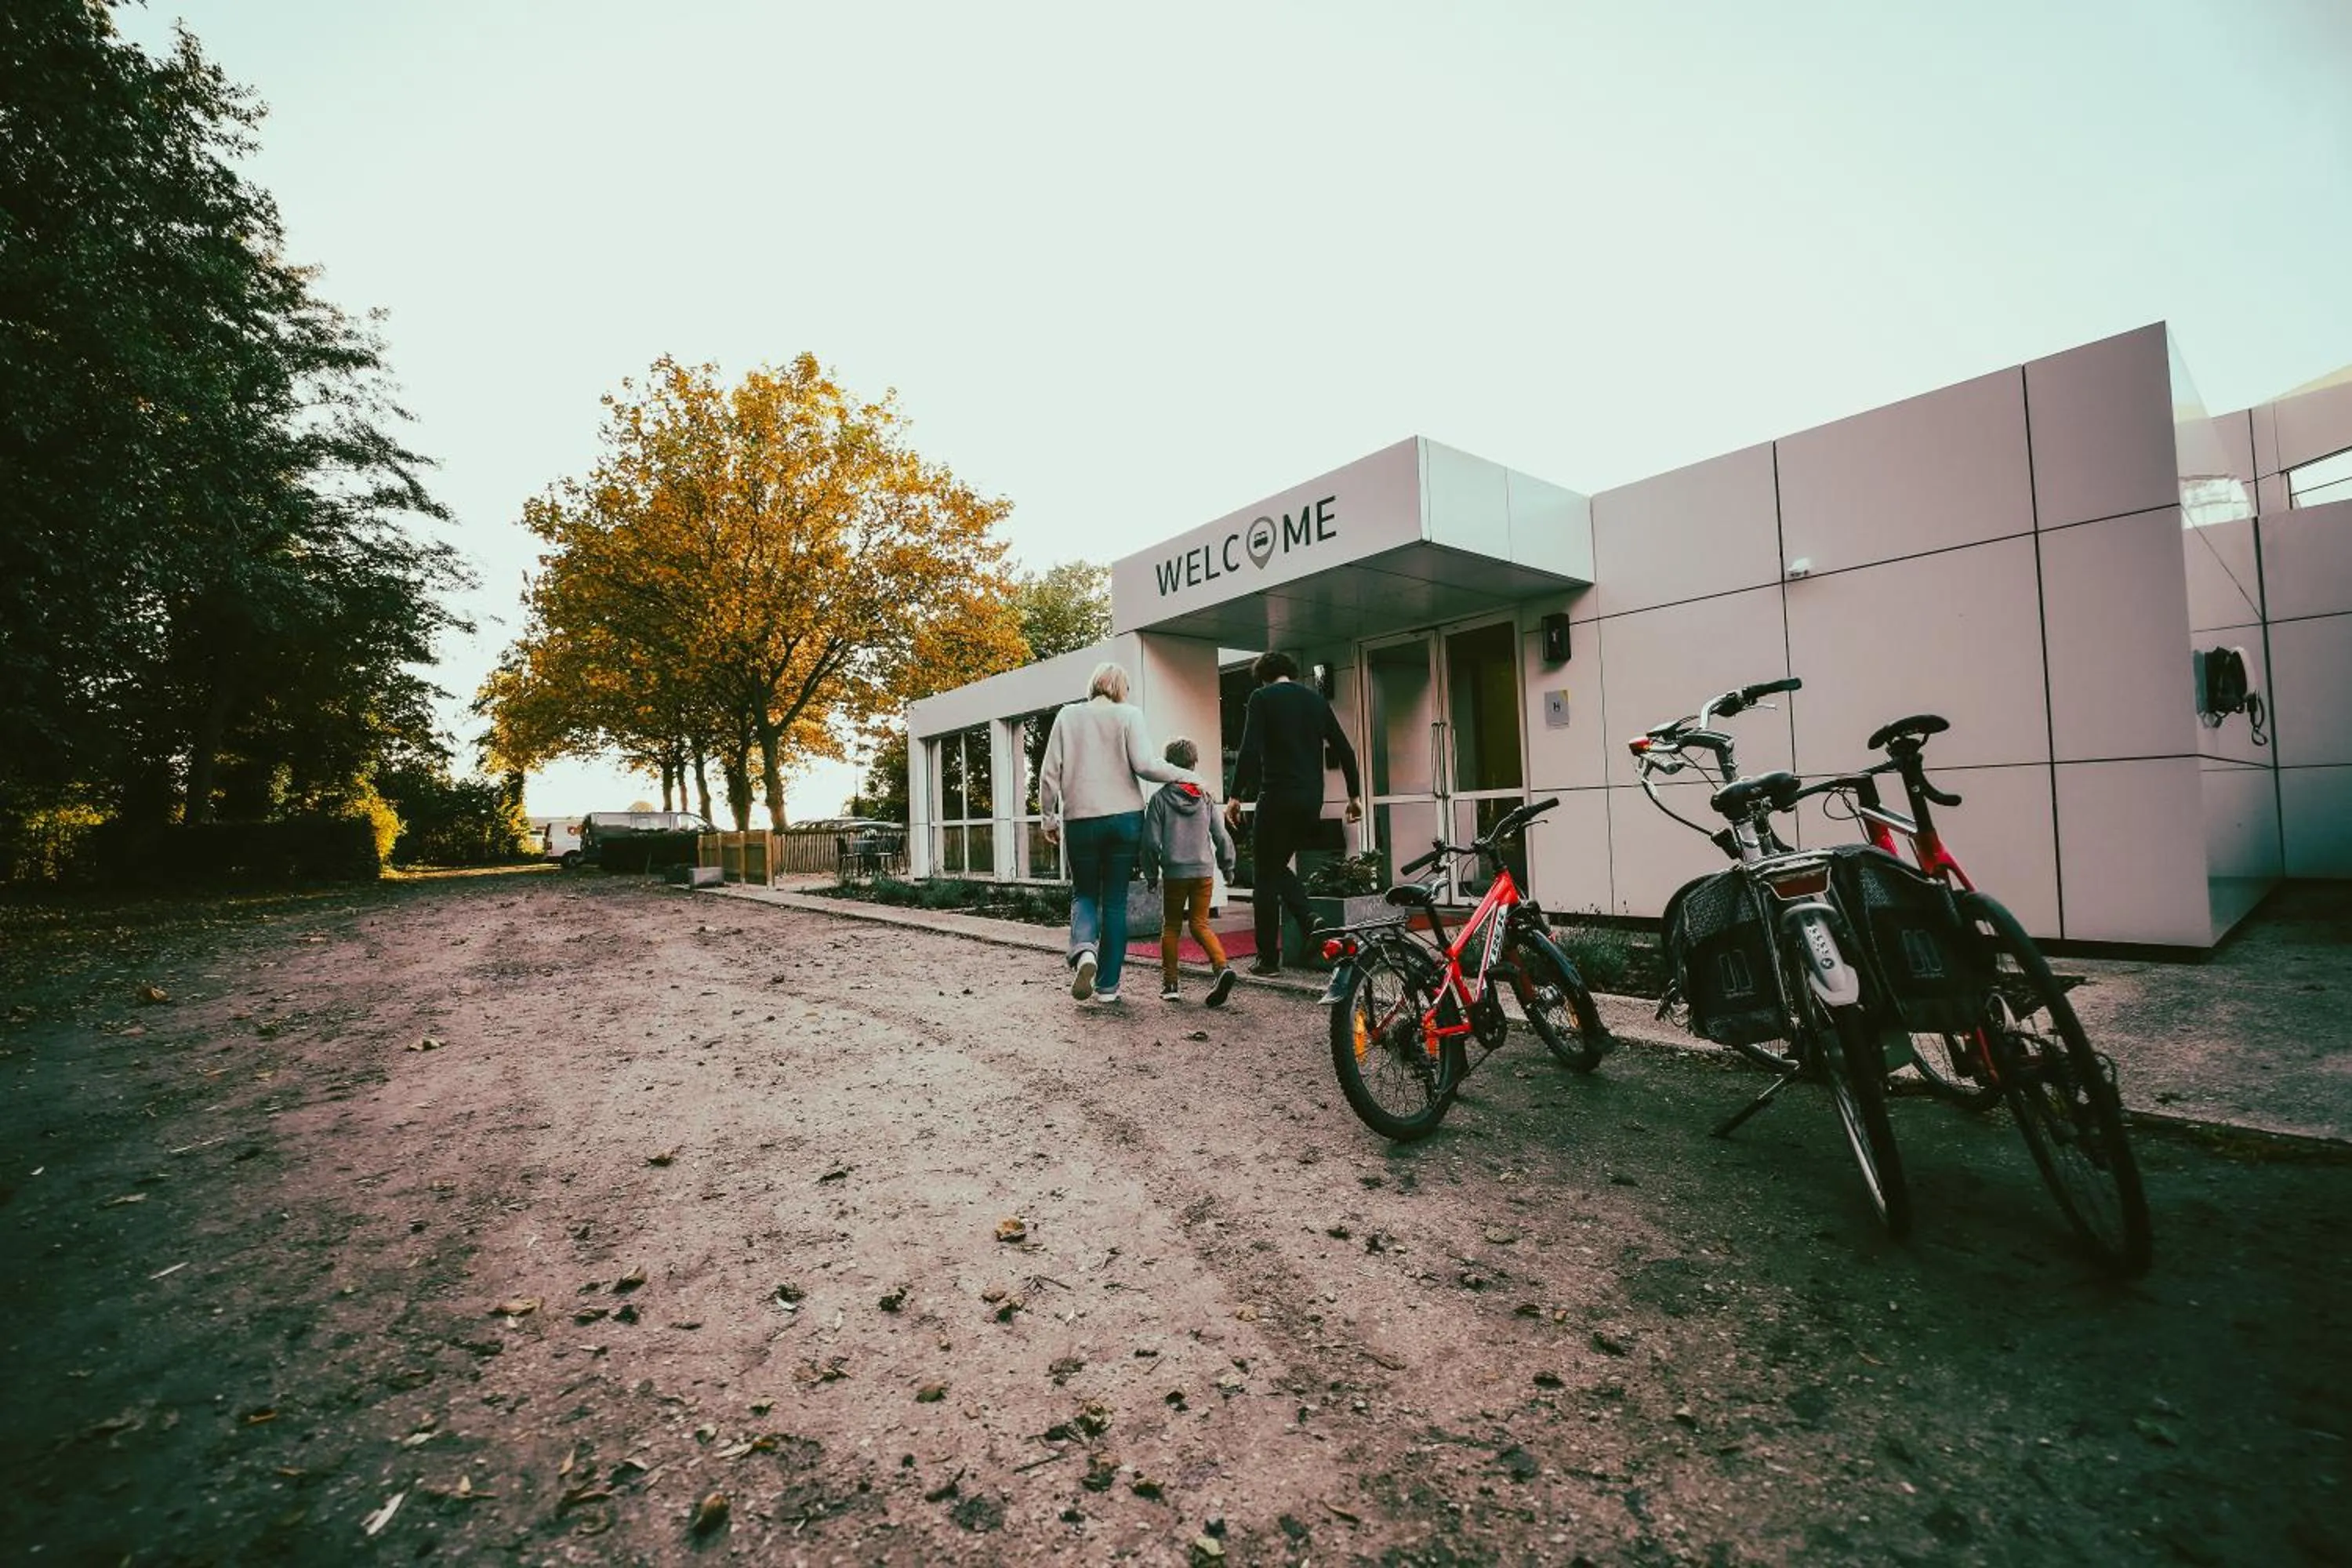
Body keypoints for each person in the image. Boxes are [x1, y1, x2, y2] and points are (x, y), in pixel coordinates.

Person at [1038, 661, 1197, 1005]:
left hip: (1081, 820)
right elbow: (1146, 765)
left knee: (1083, 894)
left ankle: (1084, 953)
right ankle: (1108, 987)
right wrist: (1186, 775)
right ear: (1121, 687)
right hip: (1125, 820)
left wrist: (1048, 818)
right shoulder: (1129, 715)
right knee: (1114, 902)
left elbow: (1050, 772)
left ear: (1094, 684)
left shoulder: (1067, 716)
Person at [1224, 650, 1363, 977]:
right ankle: (1309, 919)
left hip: (1277, 797)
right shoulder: (1315, 701)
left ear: (1263, 676)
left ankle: (1268, 959)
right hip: (1311, 801)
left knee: (1264, 877)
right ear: (1290, 672)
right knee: (1274, 867)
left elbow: (1250, 749)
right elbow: (1344, 749)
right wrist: (1354, 796)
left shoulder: (1262, 698)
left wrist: (1234, 795)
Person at [1139, 737, 1239, 1007]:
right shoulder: (1205, 797)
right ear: (1194, 764)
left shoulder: (1159, 799)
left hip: (1174, 873)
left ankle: (1171, 985)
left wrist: (1150, 873)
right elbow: (1221, 836)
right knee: (1200, 924)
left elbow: (1150, 842)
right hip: (1203, 872)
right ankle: (1221, 967)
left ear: (1167, 766)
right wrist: (1228, 867)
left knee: (1171, 927)